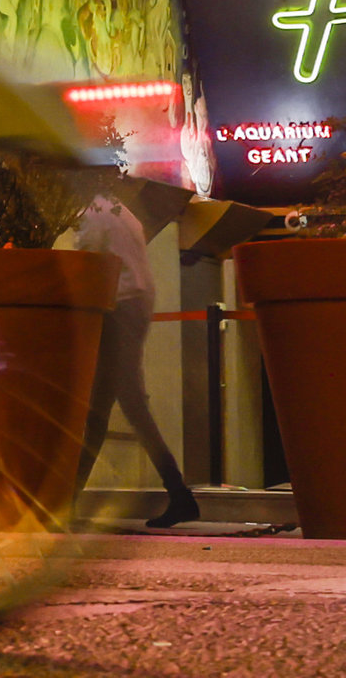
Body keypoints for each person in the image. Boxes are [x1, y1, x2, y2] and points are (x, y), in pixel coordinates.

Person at [71, 189, 204, 527]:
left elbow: (86, 260)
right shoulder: (120, 210)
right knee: (99, 410)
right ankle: (67, 501)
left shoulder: (92, 211)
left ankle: (179, 493)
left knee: (128, 402)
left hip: (119, 303)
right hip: (134, 301)